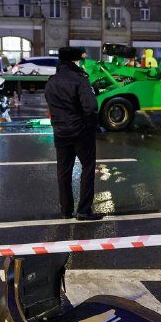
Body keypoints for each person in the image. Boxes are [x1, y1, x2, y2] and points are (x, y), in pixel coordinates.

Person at [44, 47, 103, 221]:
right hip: (81, 131)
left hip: (60, 131)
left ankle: (66, 210)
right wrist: (92, 126)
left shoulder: (52, 81)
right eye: (79, 60)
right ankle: (84, 210)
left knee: (63, 170)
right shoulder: (80, 79)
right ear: (74, 61)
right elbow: (91, 107)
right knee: (88, 167)